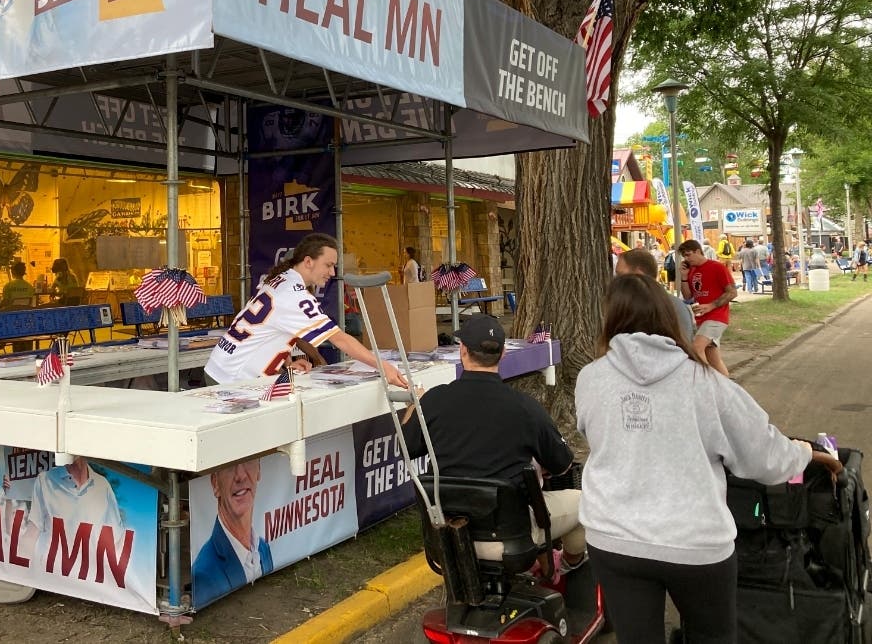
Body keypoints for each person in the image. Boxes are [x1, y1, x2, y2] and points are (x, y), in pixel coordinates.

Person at [576, 273, 842, 643]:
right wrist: (806, 453)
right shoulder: (707, 384)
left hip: (614, 538)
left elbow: (593, 434)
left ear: (609, 320)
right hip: (696, 544)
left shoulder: (590, 378)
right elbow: (764, 456)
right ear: (674, 322)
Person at [401, 314, 587, 574]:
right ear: (502, 355)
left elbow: (406, 447)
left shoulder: (435, 401)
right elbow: (562, 463)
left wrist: (415, 404)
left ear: (462, 351)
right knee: (585, 501)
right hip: (512, 537)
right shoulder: (526, 408)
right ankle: (568, 566)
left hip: (451, 538)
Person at [204, 233, 408, 388]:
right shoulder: (295, 294)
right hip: (231, 379)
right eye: (328, 265)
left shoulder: (279, 279)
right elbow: (340, 339)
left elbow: (272, 329)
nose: (332, 272)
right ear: (308, 261)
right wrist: (383, 366)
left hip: (223, 366)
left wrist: (285, 365)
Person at [191, 459, 273, 605]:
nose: (240, 475)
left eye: (248, 460)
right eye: (229, 465)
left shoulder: (263, 549)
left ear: (259, 469)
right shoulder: (204, 575)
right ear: (215, 483)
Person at [18, 455, 121, 561]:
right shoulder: (45, 480)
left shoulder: (103, 486)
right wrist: (18, 570)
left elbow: (116, 542)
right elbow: (31, 534)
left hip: (87, 574)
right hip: (51, 573)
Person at [677, 239, 736, 377]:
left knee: (696, 349)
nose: (687, 258)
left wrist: (711, 306)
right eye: (684, 256)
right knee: (713, 359)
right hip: (701, 318)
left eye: (688, 254)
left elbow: (732, 292)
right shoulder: (691, 271)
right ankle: (727, 388)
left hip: (717, 317)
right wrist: (684, 277)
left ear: (698, 251)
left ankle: (707, 382)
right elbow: (687, 296)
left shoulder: (717, 267)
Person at [615, 248, 695, 342]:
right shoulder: (671, 304)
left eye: (620, 274)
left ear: (638, 275)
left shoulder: (668, 307)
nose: (616, 280)